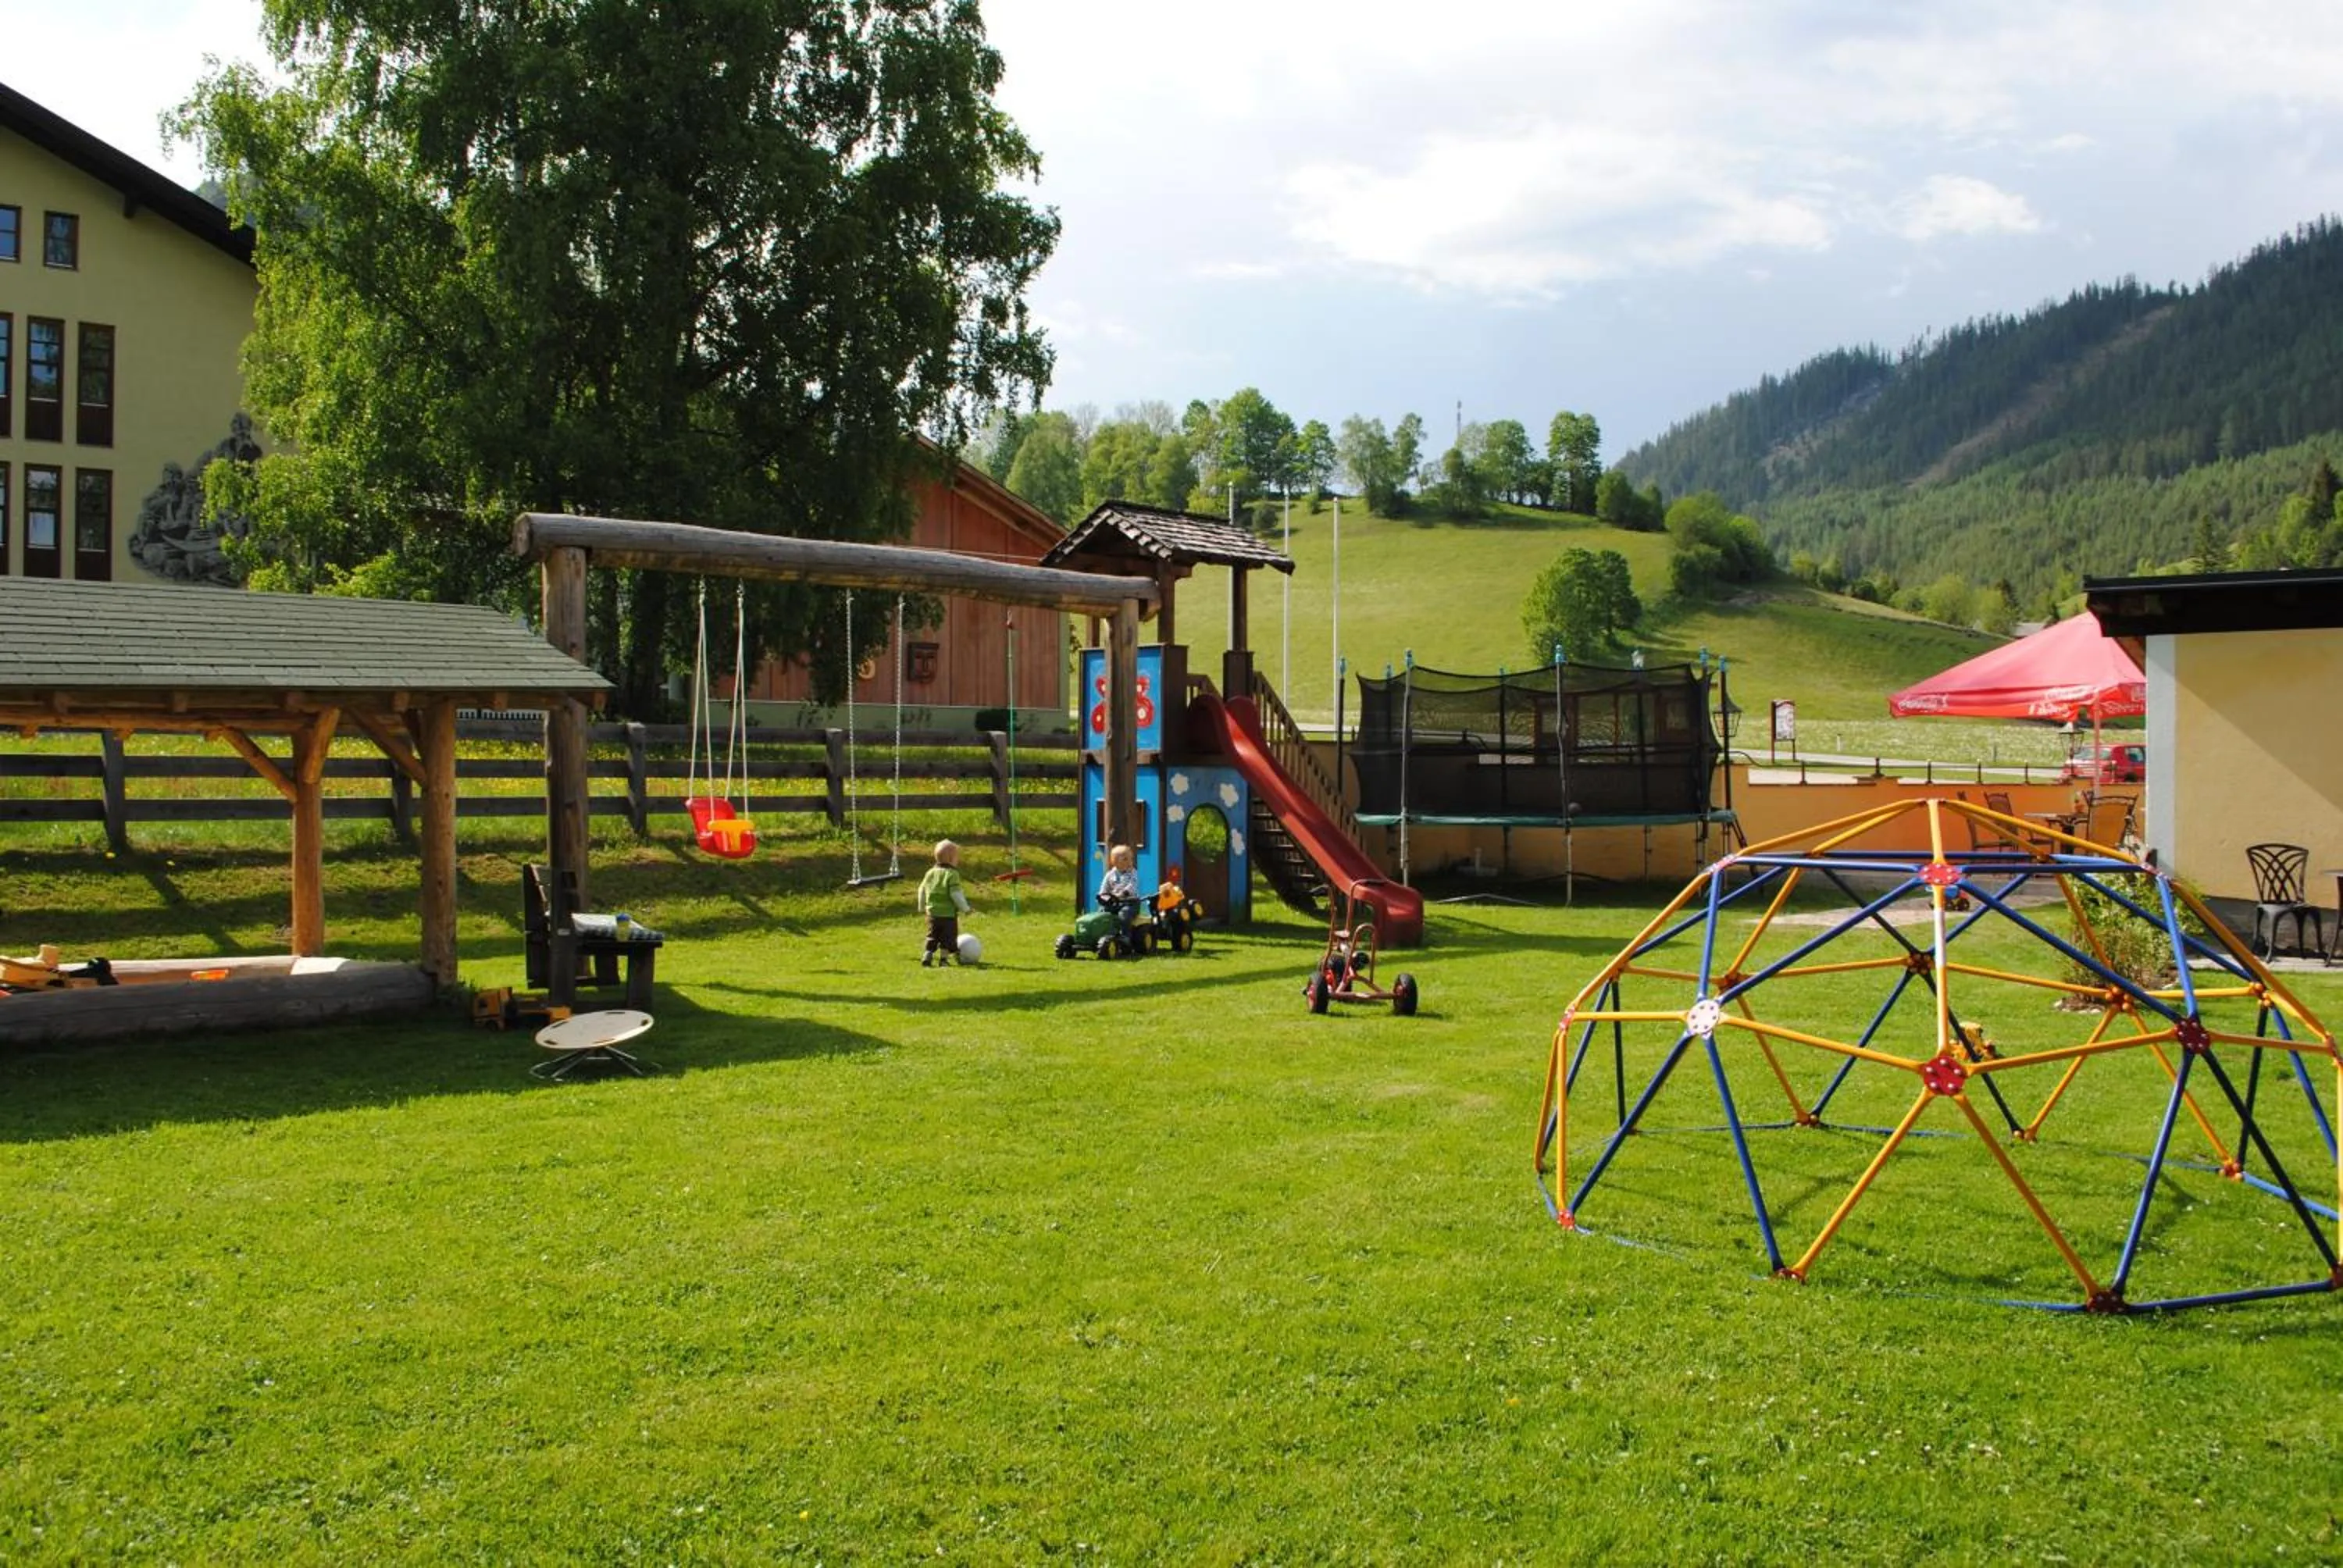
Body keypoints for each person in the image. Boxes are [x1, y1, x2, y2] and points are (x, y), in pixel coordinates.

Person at [917, 839, 971, 967]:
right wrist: (966, 909)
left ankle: (927, 956)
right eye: (957, 857)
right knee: (947, 938)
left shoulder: (930, 873)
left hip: (932, 914)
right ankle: (943, 960)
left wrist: (921, 907)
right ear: (952, 859)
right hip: (948, 915)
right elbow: (956, 894)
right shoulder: (952, 874)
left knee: (932, 935)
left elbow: (921, 890)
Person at [1097, 843, 1139, 931]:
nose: (1130, 861)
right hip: (1114, 902)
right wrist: (1103, 897)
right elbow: (1104, 889)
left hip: (1130, 903)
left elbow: (1132, 885)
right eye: (1125, 859)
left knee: (1124, 915)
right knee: (1102, 913)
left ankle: (1125, 935)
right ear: (1115, 862)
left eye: (1131, 859)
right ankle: (1104, 932)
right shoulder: (1110, 875)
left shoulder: (1133, 873)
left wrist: (1123, 893)